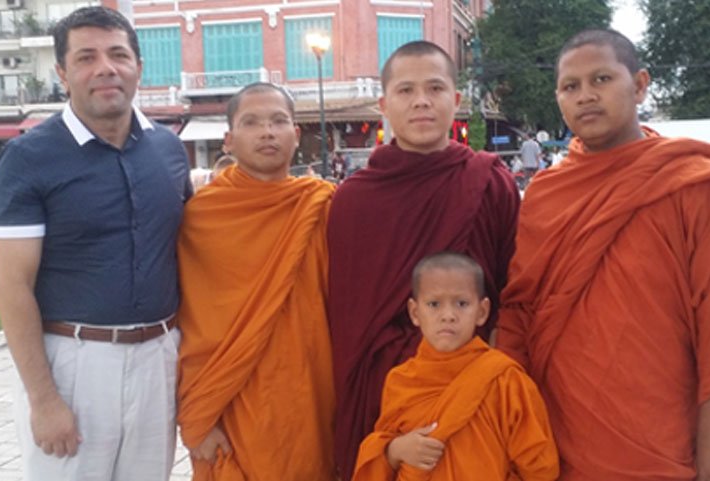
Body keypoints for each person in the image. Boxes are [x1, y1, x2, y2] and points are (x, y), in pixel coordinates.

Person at [496, 28, 710, 480]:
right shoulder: (546, 193)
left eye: (601, 79)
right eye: (570, 86)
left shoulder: (693, 182)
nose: (585, 96)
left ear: (638, 85)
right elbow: (520, 309)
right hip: (558, 426)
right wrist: (511, 424)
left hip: (660, 427)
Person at [0, 7, 190, 481]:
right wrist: (43, 400)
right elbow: (12, 287)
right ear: (62, 72)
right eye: (86, 57)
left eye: (119, 54)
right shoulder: (28, 158)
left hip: (158, 358)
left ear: (138, 67)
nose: (106, 68)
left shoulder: (167, 149)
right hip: (74, 364)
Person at [328, 40, 520, 479]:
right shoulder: (353, 201)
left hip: (475, 382)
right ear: (384, 103)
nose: (421, 102)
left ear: (455, 100)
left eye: (435, 89)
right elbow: (349, 323)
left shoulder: (489, 182)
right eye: (406, 90)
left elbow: (512, 291)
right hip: (387, 389)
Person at [177, 82, 336, 481]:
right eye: (252, 122)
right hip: (230, 403)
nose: (267, 132)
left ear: (296, 136)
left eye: (279, 121)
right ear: (228, 139)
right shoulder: (201, 217)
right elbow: (188, 320)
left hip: (308, 394)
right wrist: (196, 414)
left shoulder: (321, 205)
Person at [352, 252, 559, 481]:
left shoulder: (505, 378)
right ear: (415, 312)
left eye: (461, 304)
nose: (448, 316)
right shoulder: (401, 380)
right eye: (434, 304)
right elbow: (381, 456)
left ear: (481, 312)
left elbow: (540, 468)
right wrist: (396, 450)